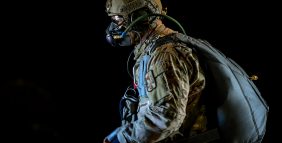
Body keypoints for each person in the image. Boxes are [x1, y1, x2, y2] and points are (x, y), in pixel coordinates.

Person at [103, 0, 211, 143]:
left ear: (139, 16)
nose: (114, 26)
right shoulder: (152, 52)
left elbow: (167, 117)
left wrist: (122, 138)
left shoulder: (165, 55)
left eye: (118, 18)